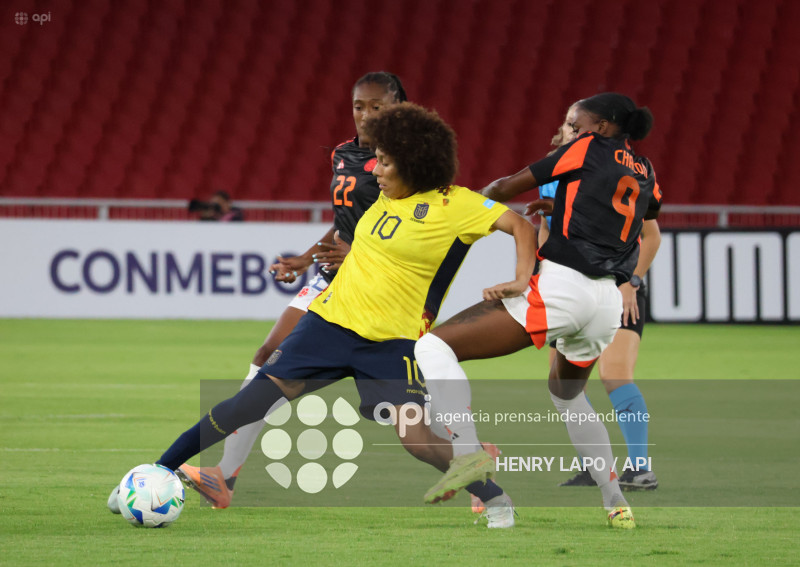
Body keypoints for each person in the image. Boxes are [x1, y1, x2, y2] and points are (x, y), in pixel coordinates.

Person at [111, 102, 538, 528]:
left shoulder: (456, 205)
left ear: (413, 163)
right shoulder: (383, 195)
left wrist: (521, 278)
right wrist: (309, 258)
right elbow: (351, 234)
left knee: (418, 440)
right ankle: (154, 472)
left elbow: (522, 227)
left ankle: (495, 497)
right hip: (327, 328)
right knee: (246, 405)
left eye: (386, 163)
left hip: (391, 345)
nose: (375, 170)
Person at [415, 92, 661, 529]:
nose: (568, 129)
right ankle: (616, 502)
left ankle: (472, 461)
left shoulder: (585, 148)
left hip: (563, 286)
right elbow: (631, 216)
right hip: (605, 303)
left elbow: (504, 187)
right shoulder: (645, 170)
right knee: (567, 396)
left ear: (601, 126)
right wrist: (563, 206)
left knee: (433, 347)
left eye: (574, 121)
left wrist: (451, 211)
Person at [174, 72, 409, 509]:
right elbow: (346, 220)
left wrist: (355, 256)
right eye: (359, 106)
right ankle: (224, 476)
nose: (366, 115)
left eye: (377, 106)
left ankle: (467, 448)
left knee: (396, 409)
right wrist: (306, 257)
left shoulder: (406, 163)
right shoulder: (343, 153)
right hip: (331, 276)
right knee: (267, 356)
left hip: (374, 287)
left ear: (397, 106)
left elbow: (405, 231)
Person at [535, 106, 661, 491]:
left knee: (615, 374)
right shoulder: (552, 176)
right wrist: (544, 284)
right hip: (568, 290)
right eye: (570, 125)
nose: (574, 130)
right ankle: (596, 468)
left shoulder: (613, 170)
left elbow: (651, 235)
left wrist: (632, 280)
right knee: (566, 384)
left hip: (617, 287)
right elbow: (545, 233)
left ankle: (640, 467)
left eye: (579, 124)